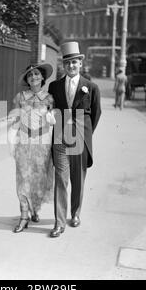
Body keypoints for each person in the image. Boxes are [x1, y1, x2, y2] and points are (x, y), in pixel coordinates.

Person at [48, 41, 101, 238]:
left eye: (74, 62)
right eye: (68, 63)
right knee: (61, 180)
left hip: (80, 139)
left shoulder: (91, 87)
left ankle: (75, 214)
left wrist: (86, 133)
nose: (71, 66)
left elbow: (96, 113)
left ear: (80, 64)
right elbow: (50, 108)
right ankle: (59, 223)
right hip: (60, 138)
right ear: (63, 65)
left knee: (77, 180)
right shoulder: (54, 86)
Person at [10, 63, 56, 233]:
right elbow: (14, 119)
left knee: (38, 179)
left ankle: (35, 209)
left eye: (37, 74)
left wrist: (51, 117)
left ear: (42, 77)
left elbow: (52, 119)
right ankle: (24, 216)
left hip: (43, 144)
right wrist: (12, 141)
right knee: (22, 179)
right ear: (27, 80)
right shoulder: (20, 97)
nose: (34, 77)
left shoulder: (49, 98)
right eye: (30, 75)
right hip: (24, 143)